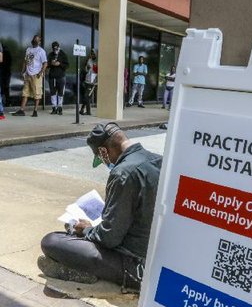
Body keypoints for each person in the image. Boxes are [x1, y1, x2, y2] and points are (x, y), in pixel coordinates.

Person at [39, 122, 162, 291]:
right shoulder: (158, 160)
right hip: (155, 254)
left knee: (51, 240)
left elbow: (110, 238)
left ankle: (83, 271)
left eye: (101, 158)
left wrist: (88, 230)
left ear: (104, 151)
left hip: (133, 265)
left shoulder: (122, 173)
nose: (105, 162)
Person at [12, 35, 47, 117]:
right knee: (25, 92)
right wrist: (23, 71)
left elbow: (45, 63)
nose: (35, 40)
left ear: (39, 42)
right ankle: (22, 110)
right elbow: (25, 61)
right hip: (28, 74)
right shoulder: (28, 49)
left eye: (37, 39)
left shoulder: (41, 51)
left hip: (36, 75)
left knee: (37, 93)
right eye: (34, 39)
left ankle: (35, 111)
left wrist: (40, 72)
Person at [46, 41, 69, 115]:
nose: (55, 50)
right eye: (53, 49)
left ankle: (60, 108)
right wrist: (51, 63)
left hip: (61, 76)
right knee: (52, 93)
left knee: (60, 93)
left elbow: (67, 65)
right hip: (52, 77)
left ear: (59, 47)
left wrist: (60, 64)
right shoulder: (50, 54)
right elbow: (46, 64)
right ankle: (54, 108)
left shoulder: (63, 54)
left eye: (56, 48)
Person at [80, 49, 97, 116]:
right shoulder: (89, 60)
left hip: (93, 81)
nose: (92, 55)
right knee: (87, 97)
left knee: (87, 96)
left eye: (93, 54)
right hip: (87, 80)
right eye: (91, 54)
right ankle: (82, 109)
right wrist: (87, 68)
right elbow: (84, 68)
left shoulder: (98, 61)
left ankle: (88, 111)